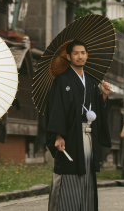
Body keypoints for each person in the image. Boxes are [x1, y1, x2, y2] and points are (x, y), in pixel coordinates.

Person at [46, 39, 112, 211]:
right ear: (69, 56)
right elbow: (56, 108)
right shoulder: (61, 80)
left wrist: (104, 95)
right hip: (70, 136)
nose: (80, 56)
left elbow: (97, 110)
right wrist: (58, 135)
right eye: (76, 53)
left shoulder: (91, 82)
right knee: (69, 171)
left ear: (87, 55)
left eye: (83, 53)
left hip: (88, 134)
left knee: (87, 172)